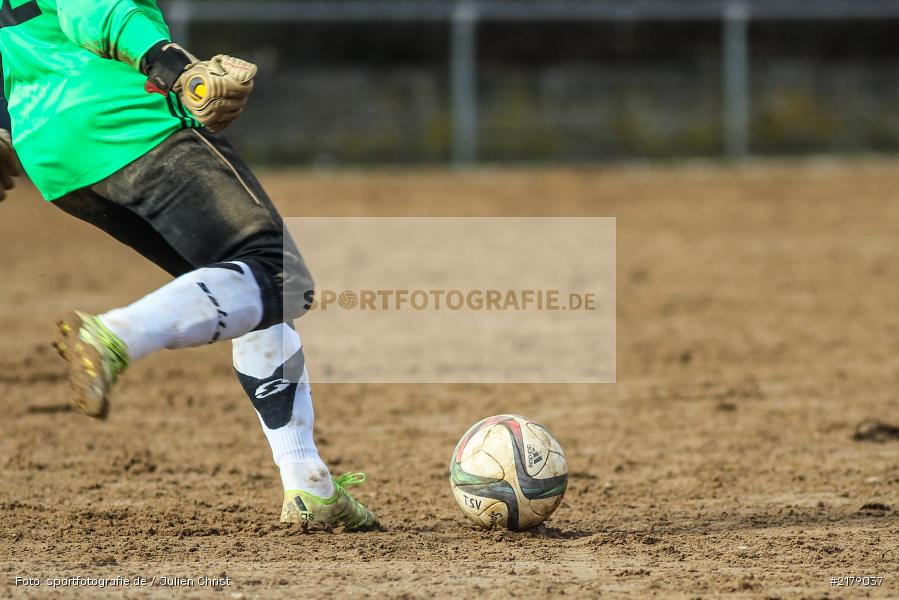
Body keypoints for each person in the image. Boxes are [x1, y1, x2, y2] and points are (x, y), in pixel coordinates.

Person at [0, 0, 377, 531]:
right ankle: (114, 336)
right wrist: (171, 63)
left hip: (53, 154)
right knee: (279, 277)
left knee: (245, 287)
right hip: (128, 121)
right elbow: (91, 10)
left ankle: (309, 485)